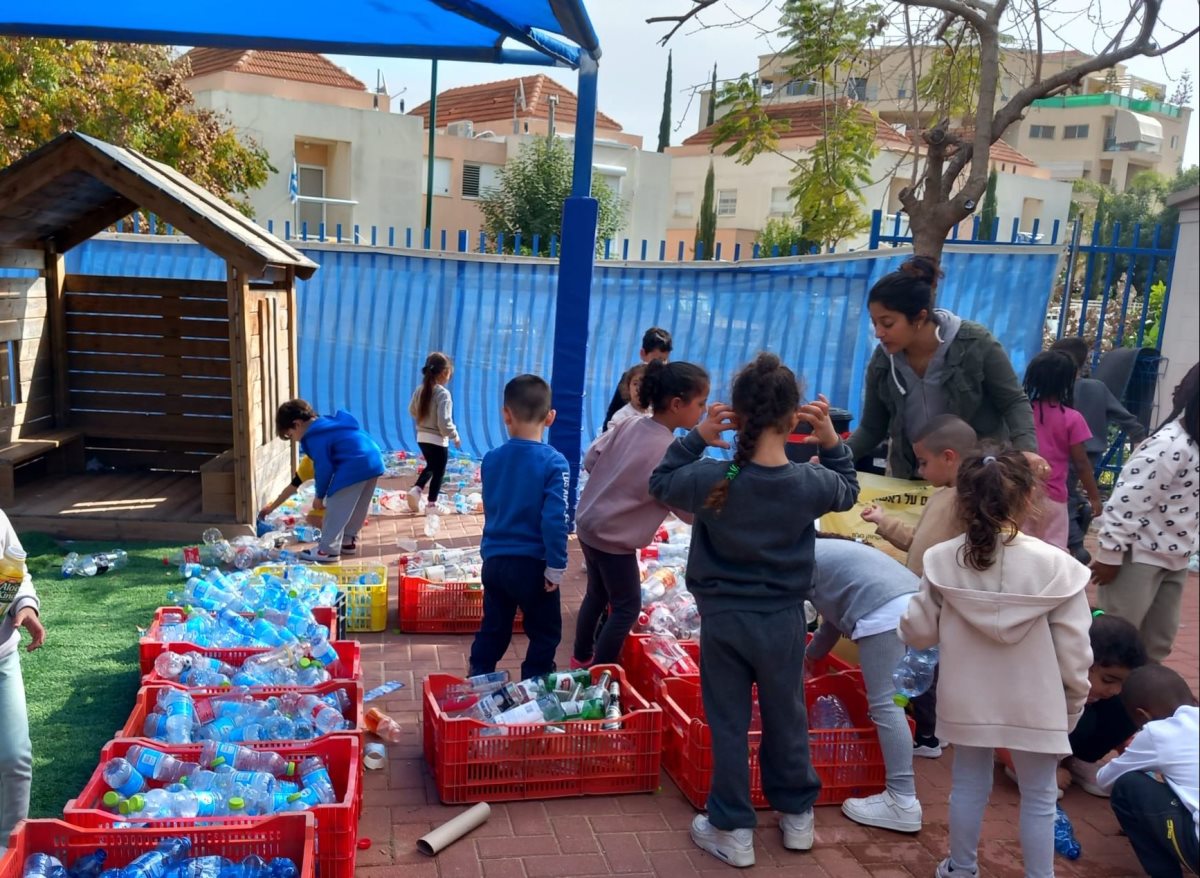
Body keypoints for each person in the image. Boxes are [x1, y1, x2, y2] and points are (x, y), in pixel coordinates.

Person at [649, 353, 859, 868]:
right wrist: (829, 439)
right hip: (784, 621)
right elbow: (849, 488)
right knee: (787, 716)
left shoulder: (709, 478)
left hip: (723, 622)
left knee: (728, 721)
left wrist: (698, 435)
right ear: (794, 420)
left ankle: (732, 827)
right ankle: (797, 820)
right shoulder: (809, 484)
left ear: (736, 418)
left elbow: (659, 481)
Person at [899, 448, 1093, 878]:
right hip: (1039, 704)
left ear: (963, 500)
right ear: (1028, 499)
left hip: (968, 699)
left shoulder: (942, 559)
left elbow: (918, 632)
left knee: (968, 784)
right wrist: (1072, 708)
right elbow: (1076, 653)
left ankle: (961, 868)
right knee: (1040, 796)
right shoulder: (1060, 568)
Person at [571, 360, 709, 669]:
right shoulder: (671, 450)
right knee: (626, 608)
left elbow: (592, 457)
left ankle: (581, 656)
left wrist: (617, 480)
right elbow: (686, 512)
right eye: (700, 403)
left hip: (589, 527)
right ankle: (599, 676)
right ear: (677, 404)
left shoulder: (632, 423)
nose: (704, 410)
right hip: (614, 542)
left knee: (596, 594)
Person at [846, 257, 1037, 480]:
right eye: (874, 323)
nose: (878, 333)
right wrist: (836, 456)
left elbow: (1013, 402)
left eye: (887, 323)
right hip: (911, 482)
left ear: (919, 317)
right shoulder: (882, 362)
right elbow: (871, 428)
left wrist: (1027, 453)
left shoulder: (975, 343)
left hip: (976, 481)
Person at [861, 413, 978, 758]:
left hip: (941, 603)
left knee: (925, 669)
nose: (921, 471)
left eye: (924, 462)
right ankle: (929, 727)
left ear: (949, 457)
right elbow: (916, 543)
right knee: (919, 666)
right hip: (921, 598)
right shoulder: (941, 495)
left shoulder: (969, 501)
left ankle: (929, 735)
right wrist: (883, 522)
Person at [806, 537, 922, 832]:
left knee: (885, 703)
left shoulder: (798, 557)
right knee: (895, 699)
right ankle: (909, 778)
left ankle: (902, 800)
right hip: (918, 602)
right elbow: (832, 620)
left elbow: (786, 618)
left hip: (884, 608)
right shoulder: (827, 553)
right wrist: (811, 657)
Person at [1091, 361, 1199, 662]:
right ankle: (1098, 699)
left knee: (1158, 641)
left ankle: (1141, 698)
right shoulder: (1169, 446)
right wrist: (1110, 554)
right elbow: (1128, 499)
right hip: (1136, 557)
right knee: (1117, 639)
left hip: (1175, 558)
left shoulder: (1195, 446)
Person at [468, 374, 570, 680]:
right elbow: (555, 521)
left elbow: (494, 505)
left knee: (495, 626)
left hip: (495, 561)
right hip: (533, 566)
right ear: (550, 417)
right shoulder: (554, 463)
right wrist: (556, 565)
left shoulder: (491, 459)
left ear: (506, 413)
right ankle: (534, 682)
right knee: (545, 631)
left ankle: (479, 672)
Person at [997, 611, 1149, 798]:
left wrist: (1134, 757)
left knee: (1129, 705)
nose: (1115, 690)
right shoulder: (1044, 678)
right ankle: (1032, 765)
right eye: (1108, 680)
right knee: (1081, 716)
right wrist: (1027, 768)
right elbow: (1001, 724)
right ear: (1080, 661)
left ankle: (1078, 760)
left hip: (1070, 730)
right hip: (1023, 743)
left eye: (1121, 683)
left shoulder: (1109, 691)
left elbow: (1122, 727)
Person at [1048, 336, 1147, 563]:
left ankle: (1074, 540)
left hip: (1059, 451)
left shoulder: (1055, 388)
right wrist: (1139, 440)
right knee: (1066, 492)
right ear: (1084, 362)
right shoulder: (1097, 388)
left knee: (1060, 493)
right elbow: (1127, 419)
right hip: (1090, 452)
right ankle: (1079, 521)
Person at [1096, 664, 1198, 878]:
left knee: (1128, 786)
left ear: (1143, 716)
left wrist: (1138, 758)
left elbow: (1105, 781)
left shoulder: (1157, 732)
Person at [275, 399, 384, 562]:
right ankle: (348, 540)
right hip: (373, 458)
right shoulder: (327, 423)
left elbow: (323, 467)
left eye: (291, 435)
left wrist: (320, 495)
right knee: (359, 504)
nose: (295, 440)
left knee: (336, 504)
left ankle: (327, 550)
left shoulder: (313, 436)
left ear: (297, 424)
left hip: (354, 463)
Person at [1022, 350, 1102, 551]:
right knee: (1054, 552)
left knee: (1020, 547)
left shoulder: (1022, 414)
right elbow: (1081, 463)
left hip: (1021, 495)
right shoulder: (1072, 418)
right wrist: (1094, 497)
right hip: (1054, 498)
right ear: (1067, 383)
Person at [0, 510, 44, 847]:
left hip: (2, 658)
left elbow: (14, 572)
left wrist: (24, 606)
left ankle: (8, 849)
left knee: (15, 756)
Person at [407, 352, 461, 515]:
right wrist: (454, 435)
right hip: (438, 439)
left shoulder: (420, 389)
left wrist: (424, 420)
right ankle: (431, 505)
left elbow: (412, 410)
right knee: (439, 471)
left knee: (432, 465)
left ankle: (416, 489)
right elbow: (444, 423)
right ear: (445, 373)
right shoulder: (443, 394)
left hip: (422, 437)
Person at [602, 327, 672, 431]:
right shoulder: (630, 378)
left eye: (664, 360)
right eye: (655, 360)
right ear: (643, 354)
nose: (659, 365)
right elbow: (613, 413)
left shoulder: (667, 382)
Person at [606, 363, 650, 430]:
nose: (639, 389)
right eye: (635, 384)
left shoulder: (655, 414)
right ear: (628, 387)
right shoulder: (621, 417)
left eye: (644, 384)